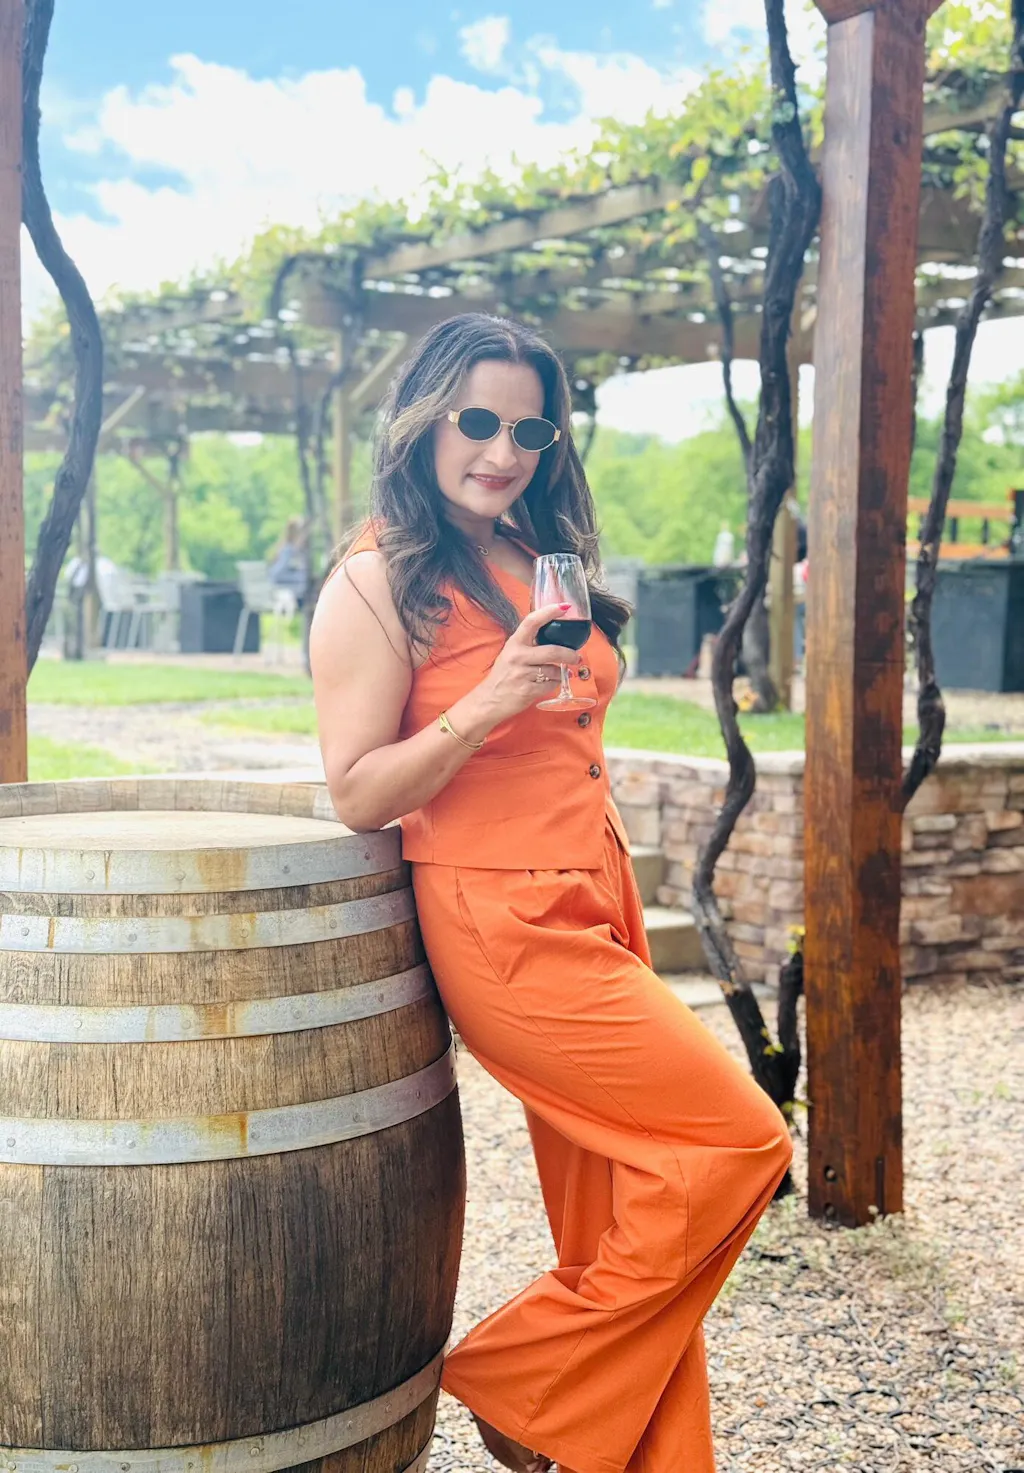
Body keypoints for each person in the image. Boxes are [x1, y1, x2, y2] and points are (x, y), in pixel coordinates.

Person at [310, 313, 793, 1473]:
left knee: (618, 1203)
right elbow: (358, 792)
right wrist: (489, 700)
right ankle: (522, 1378)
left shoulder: (532, 553)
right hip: (505, 920)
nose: (502, 451)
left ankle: (626, 1453)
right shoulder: (376, 581)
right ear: (421, 419)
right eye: (477, 421)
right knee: (738, 1143)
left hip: (594, 885)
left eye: (529, 431)